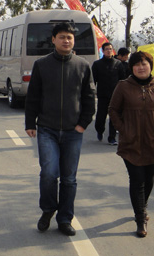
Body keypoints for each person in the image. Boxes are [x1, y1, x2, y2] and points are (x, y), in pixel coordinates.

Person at [24, 22, 96, 236]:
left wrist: (83, 124)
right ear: (53, 39)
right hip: (47, 129)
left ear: (74, 41)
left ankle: (65, 219)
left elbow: (89, 97)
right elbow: (33, 96)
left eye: (69, 37)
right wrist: (30, 123)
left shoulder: (82, 66)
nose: (66, 40)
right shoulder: (42, 64)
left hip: (74, 131)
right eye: (62, 37)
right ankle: (48, 210)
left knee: (69, 178)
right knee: (48, 173)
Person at [108, 51, 154, 238]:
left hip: (152, 142)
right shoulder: (123, 86)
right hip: (130, 143)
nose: (140, 67)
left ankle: (142, 206)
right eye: (137, 64)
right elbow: (113, 110)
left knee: (149, 179)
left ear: (150, 66)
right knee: (137, 179)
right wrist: (124, 130)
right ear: (131, 67)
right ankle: (140, 218)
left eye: (144, 64)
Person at [92, 42, 127, 145]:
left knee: (114, 116)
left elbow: (122, 80)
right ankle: (100, 130)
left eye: (110, 49)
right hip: (102, 95)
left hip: (115, 95)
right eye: (106, 49)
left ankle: (112, 137)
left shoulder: (118, 64)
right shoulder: (97, 64)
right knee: (101, 116)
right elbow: (93, 80)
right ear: (103, 51)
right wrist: (91, 92)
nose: (109, 51)